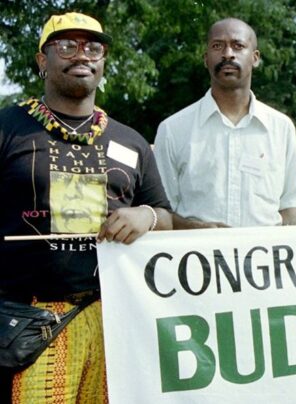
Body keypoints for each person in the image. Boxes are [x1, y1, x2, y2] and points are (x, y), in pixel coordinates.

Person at [0, 12, 172, 402]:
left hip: (115, 321)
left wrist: (145, 216)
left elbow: (165, 215)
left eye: (93, 47)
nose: (82, 55)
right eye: (67, 45)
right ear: (42, 60)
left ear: (103, 61)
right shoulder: (9, 128)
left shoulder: (131, 141)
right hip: (27, 326)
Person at [154, 18, 296, 228]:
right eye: (218, 46)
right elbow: (161, 210)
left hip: (264, 258)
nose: (227, 54)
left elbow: (290, 205)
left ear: (255, 58)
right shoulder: (173, 129)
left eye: (238, 46)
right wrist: (195, 229)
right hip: (198, 257)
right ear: (206, 59)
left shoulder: (281, 127)